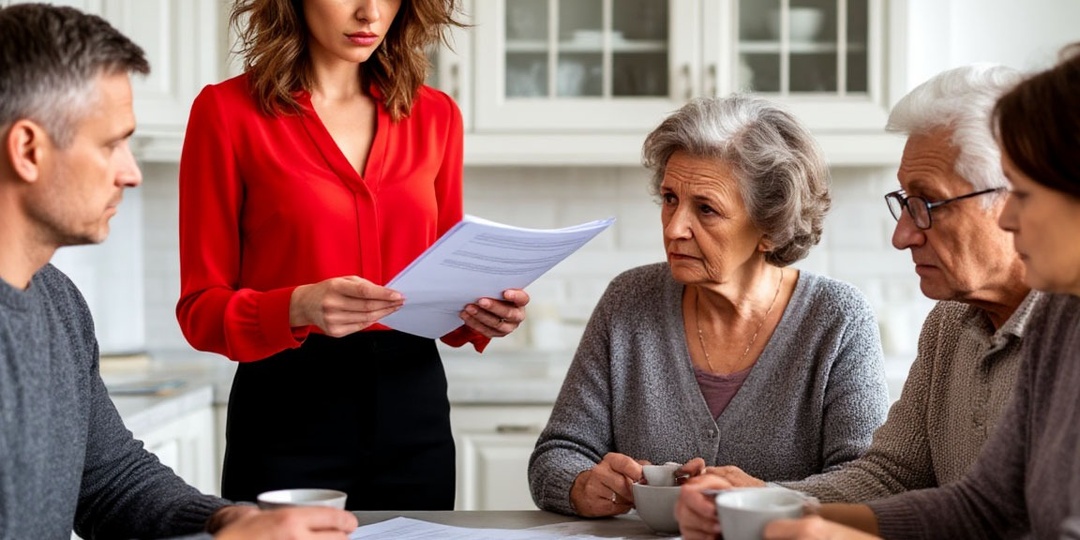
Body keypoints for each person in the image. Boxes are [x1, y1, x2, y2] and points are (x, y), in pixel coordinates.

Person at [0, 4, 356, 539]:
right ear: (28, 149)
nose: (132, 173)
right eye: (111, 144)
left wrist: (229, 520)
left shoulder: (59, 302)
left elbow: (111, 481)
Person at [176, 0, 529, 511]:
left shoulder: (436, 116)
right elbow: (200, 311)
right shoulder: (227, 112)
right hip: (285, 411)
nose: (370, 13)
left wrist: (484, 314)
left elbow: (450, 284)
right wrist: (297, 305)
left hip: (415, 412)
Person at [674, 65, 1044, 539]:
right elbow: (895, 477)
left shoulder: (1062, 331)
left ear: (1012, 199)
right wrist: (764, 504)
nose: (902, 235)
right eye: (905, 202)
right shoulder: (951, 324)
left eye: (927, 204)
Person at [764, 42, 1080, 540]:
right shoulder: (1057, 319)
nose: (902, 236)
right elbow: (983, 507)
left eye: (1024, 193)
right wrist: (764, 511)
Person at [528, 94, 890, 518]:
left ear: (770, 228)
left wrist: (762, 498)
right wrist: (582, 485)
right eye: (669, 199)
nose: (675, 228)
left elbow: (868, 484)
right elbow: (557, 452)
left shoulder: (838, 318)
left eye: (706, 209)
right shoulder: (628, 300)